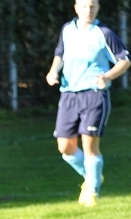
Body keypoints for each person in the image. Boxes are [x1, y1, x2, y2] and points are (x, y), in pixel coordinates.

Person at [45, 0, 130, 208]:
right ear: (76, 8)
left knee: (90, 146)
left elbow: (125, 59)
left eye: (92, 6)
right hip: (68, 95)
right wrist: (53, 71)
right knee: (65, 147)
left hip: (94, 95)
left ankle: (92, 190)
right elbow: (60, 54)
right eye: (84, 6)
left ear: (98, 8)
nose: (88, 10)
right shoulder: (67, 30)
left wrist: (108, 76)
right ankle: (92, 176)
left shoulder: (104, 33)